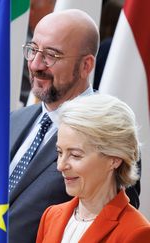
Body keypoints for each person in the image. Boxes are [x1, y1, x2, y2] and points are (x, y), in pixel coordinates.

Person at [8, 9, 140, 243]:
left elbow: (115, 225)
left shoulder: (110, 131)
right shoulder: (14, 121)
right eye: (33, 50)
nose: (36, 64)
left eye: (51, 55)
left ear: (86, 66)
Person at [37, 94, 150, 242]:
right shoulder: (50, 216)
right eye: (59, 152)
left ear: (114, 159)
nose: (61, 165)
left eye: (75, 155)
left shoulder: (136, 232)